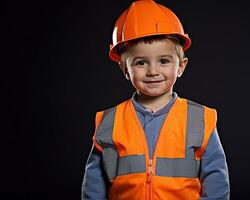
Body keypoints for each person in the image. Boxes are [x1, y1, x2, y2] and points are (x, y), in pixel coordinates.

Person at [81, 0, 230, 199]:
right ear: (125, 69)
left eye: (163, 61)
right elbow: (94, 183)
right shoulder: (110, 121)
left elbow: (216, 179)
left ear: (181, 66)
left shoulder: (199, 119)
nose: (153, 71)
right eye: (141, 62)